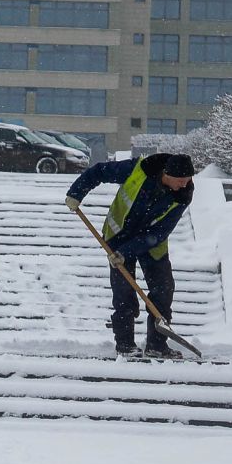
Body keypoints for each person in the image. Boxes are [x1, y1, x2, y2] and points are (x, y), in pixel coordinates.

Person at [64, 153, 195, 356]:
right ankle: (125, 344)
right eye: (180, 181)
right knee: (124, 292)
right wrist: (76, 193)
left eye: (187, 181)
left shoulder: (183, 195)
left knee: (164, 289)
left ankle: (157, 345)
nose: (184, 185)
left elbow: (160, 232)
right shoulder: (139, 169)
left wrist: (127, 252)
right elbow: (100, 171)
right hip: (118, 235)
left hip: (151, 242)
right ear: (167, 174)